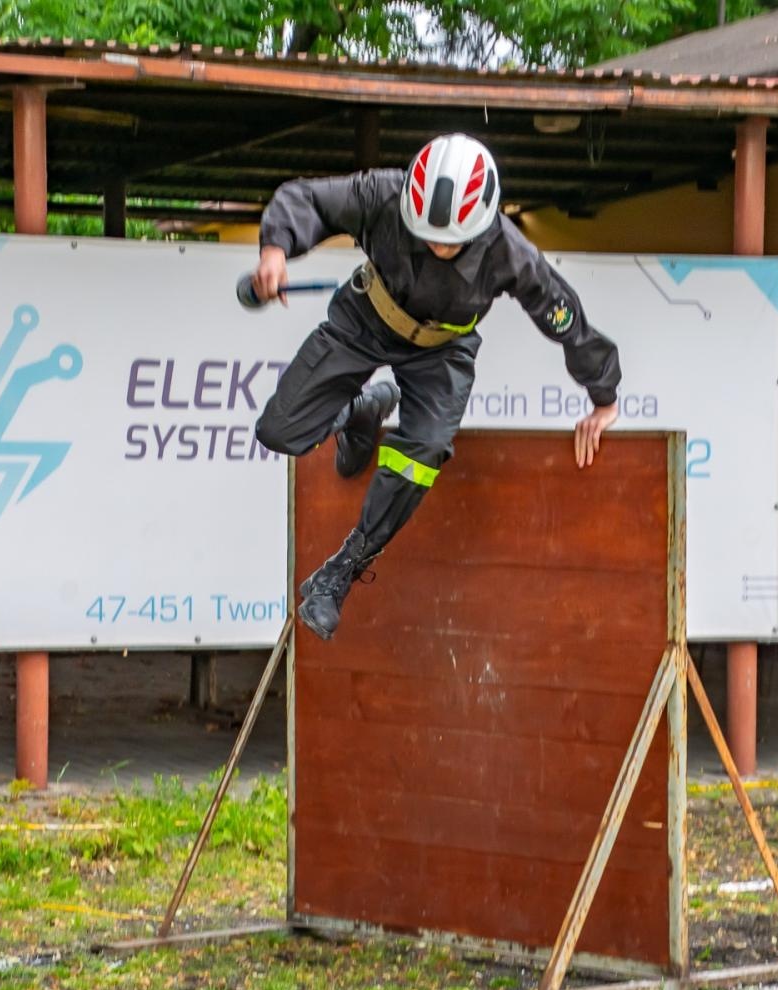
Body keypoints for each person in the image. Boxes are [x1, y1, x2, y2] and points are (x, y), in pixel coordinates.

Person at [251, 133, 622, 640]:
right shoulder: (383, 193)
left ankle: (341, 571)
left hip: (442, 351)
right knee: (278, 431)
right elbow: (305, 198)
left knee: (423, 451)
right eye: (427, 234)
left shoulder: (509, 250)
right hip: (366, 319)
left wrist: (604, 397)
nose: (438, 246)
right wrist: (275, 251)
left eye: (450, 241)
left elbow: (564, 318)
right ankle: (361, 412)